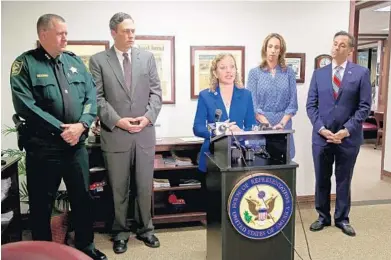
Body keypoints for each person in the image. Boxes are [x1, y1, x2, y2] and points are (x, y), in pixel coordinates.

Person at [10, 14, 106, 260]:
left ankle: (86, 246)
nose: (66, 37)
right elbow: (26, 106)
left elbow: (90, 97)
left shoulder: (73, 62)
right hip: (44, 149)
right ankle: (43, 252)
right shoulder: (25, 65)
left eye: (66, 32)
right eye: (60, 33)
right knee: (42, 204)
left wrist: (82, 125)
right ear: (43, 35)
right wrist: (64, 129)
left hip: (76, 147)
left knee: (82, 198)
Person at [89, 12, 162, 254]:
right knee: (118, 188)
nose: (131, 35)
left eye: (133, 30)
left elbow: (156, 94)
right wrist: (118, 121)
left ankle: (146, 229)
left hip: (143, 134)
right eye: (125, 31)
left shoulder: (147, 58)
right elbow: (97, 98)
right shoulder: (99, 61)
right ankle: (120, 232)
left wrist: (147, 118)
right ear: (113, 33)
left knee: (143, 186)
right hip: (115, 135)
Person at [306, 31, 372, 237]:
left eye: (342, 45)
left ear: (350, 50)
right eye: (335, 44)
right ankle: (323, 216)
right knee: (322, 178)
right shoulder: (319, 74)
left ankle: (342, 219)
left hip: (348, 138)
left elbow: (364, 107)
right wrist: (321, 129)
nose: (336, 48)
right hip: (321, 137)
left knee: (344, 179)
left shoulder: (361, 73)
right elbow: (311, 106)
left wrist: (345, 131)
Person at [193, 53, 256, 173]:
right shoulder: (206, 96)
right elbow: (197, 127)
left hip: (239, 156)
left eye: (232, 67)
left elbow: (251, 126)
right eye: (223, 68)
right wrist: (219, 131)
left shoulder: (246, 95)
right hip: (212, 155)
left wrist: (241, 132)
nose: (229, 71)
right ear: (215, 73)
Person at [246, 33, 298, 160]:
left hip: (283, 127)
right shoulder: (254, 73)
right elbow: (252, 104)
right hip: (262, 126)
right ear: (265, 49)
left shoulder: (289, 73)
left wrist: (282, 123)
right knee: (261, 163)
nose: (273, 50)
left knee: (284, 165)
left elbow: (293, 103)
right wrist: (268, 125)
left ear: (281, 51)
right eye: (270, 46)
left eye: (277, 47)